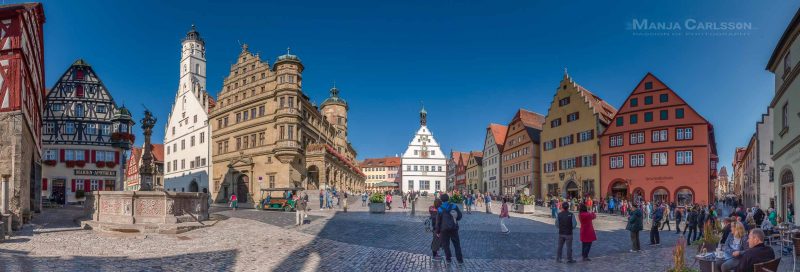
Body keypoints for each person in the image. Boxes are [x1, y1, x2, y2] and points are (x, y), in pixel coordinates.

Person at [436, 194, 464, 265]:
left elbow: (438, 222)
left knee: (446, 245)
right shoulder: (454, 206)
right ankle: (460, 260)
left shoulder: (440, 209)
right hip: (453, 228)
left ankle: (448, 259)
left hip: (444, 229)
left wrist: (437, 231)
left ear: (441, 200)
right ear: (448, 199)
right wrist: (455, 217)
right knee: (456, 244)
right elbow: (460, 216)